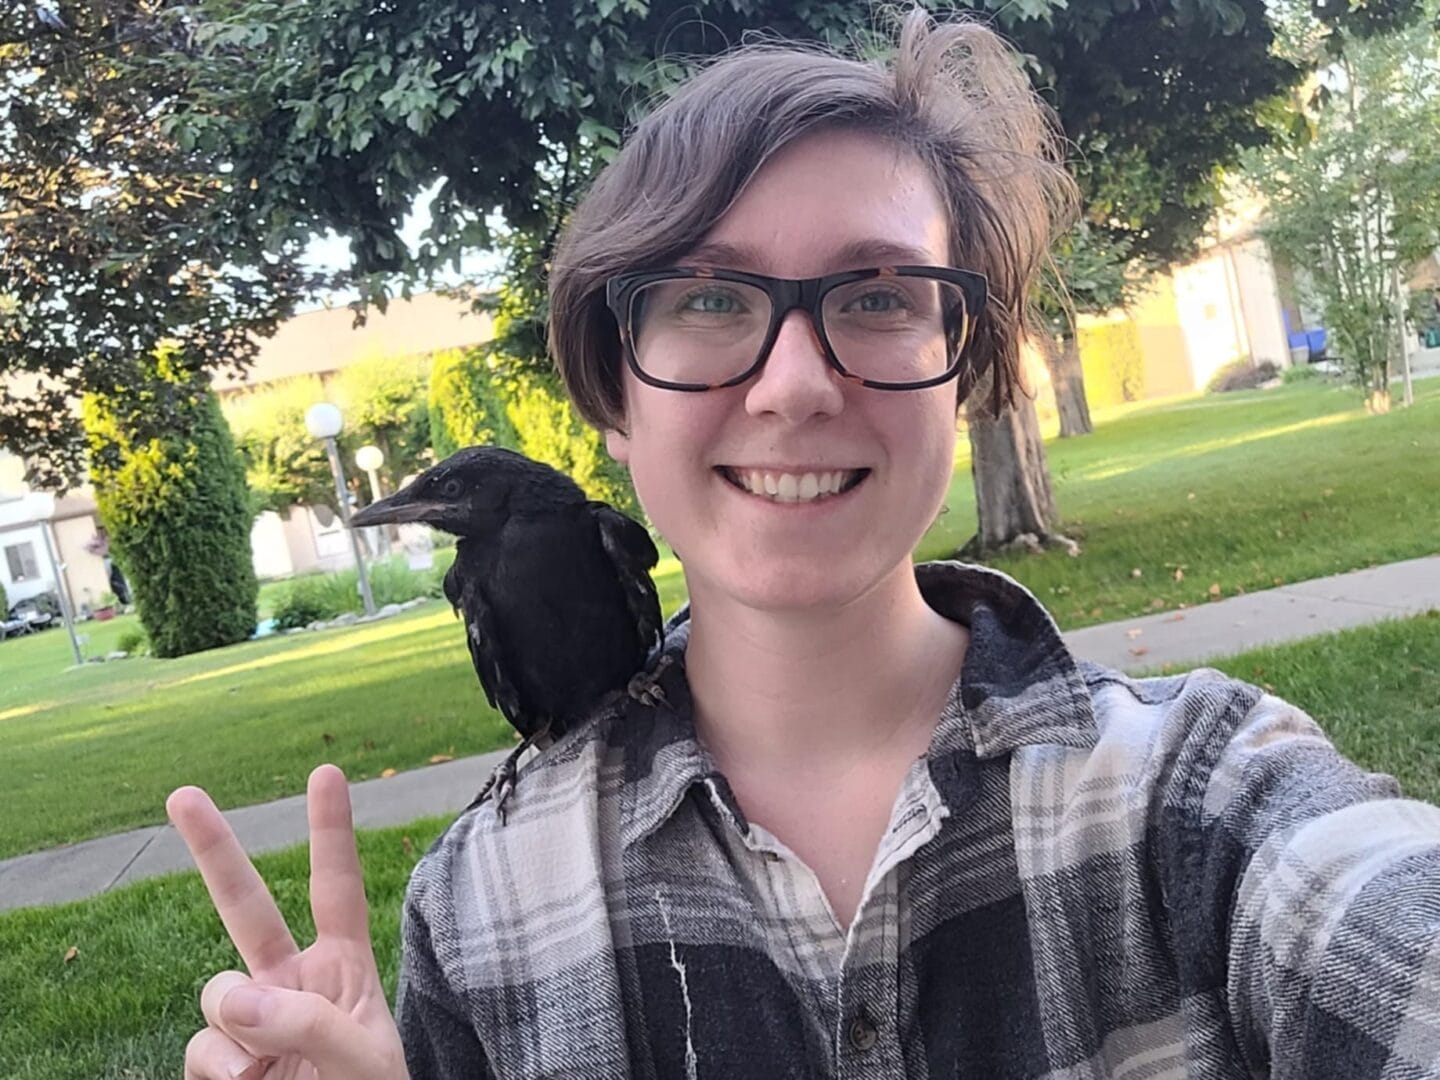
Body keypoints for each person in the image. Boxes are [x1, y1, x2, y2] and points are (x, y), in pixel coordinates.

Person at [170, 11, 1440, 1079]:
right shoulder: (476, 915)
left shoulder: (1207, 802)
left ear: (971, 375)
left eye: (878, 295)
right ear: (616, 395)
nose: (792, 386)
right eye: (710, 298)